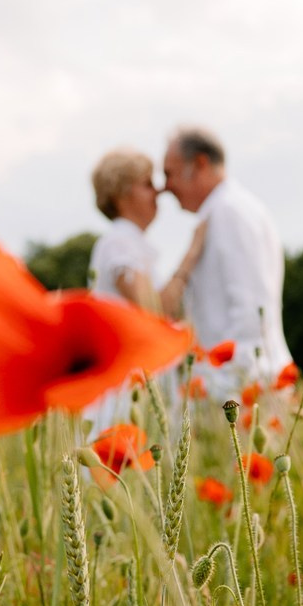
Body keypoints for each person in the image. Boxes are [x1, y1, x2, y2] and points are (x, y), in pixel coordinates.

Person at [162, 125, 291, 394]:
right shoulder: (228, 210)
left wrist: (223, 386)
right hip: (237, 382)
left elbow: (250, 307)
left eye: (169, 173)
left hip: (243, 388)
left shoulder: (229, 213)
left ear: (199, 163)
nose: (166, 187)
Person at [83, 147, 204, 425]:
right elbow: (153, 307)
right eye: (148, 184)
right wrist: (192, 253)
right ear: (121, 194)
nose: (159, 192)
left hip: (137, 384)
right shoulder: (118, 242)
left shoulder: (129, 242)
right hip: (125, 391)